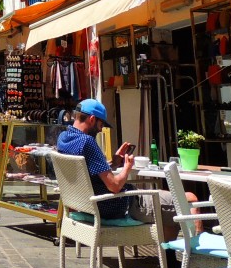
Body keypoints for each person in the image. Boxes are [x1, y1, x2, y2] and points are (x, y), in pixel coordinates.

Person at [57, 99, 192, 232]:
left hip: (88, 205)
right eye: (101, 124)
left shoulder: (63, 138)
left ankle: (169, 253)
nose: (100, 129)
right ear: (92, 119)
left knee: (167, 209)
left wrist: (113, 163)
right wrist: (127, 167)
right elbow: (115, 186)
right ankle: (196, 252)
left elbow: (89, 173)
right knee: (189, 199)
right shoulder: (87, 142)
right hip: (120, 205)